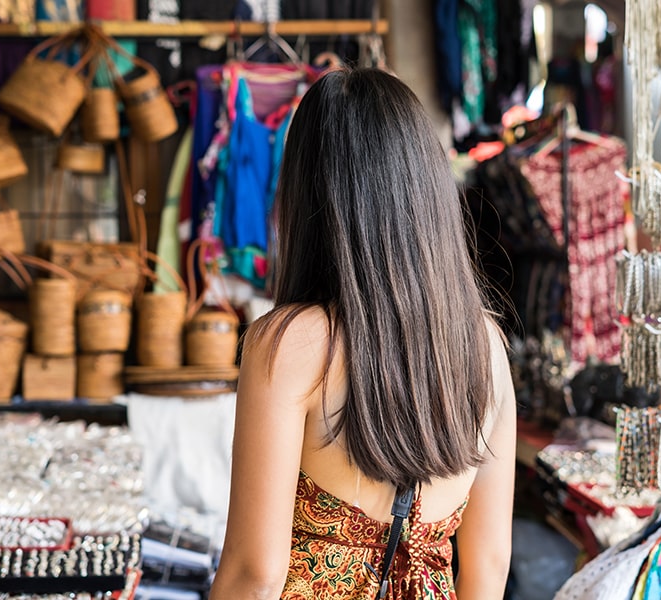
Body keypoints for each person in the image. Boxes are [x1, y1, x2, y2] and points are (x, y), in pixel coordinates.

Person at [207, 68, 516, 600]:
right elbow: (487, 566)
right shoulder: (486, 346)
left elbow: (254, 575)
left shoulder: (290, 346)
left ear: (308, 194)